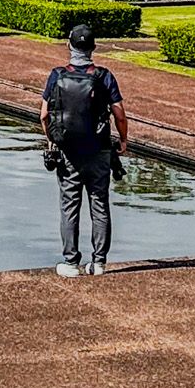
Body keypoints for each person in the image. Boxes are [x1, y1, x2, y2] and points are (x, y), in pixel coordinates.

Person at [41, 24, 127, 277]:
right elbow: (119, 114)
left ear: (69, 46)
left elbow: (44, 115)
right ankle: (98, 263)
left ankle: (70, 262)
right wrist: (123, 140)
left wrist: (51, 140)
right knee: (99, 204)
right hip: (99, 150)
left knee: (69, 206)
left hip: (68, 151)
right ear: (93, 48)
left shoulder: (57, 75)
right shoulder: (104, 76)